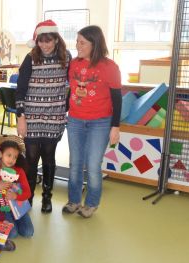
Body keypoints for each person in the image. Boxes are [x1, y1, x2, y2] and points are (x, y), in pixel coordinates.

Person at [64, 25, 121, 218]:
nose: (77, 45)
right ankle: (73, 200)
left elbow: (117, 98)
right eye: (77, 41)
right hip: (75, 120)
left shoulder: (109, 67)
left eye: (82, 42)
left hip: (100, 122)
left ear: (94, 44)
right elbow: (70, 91)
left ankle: (91, 203)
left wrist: (115, 127)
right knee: (75, 163)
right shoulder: (73, 64)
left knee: (93, 164)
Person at [15, 20, 72, 213]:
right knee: (31, 158)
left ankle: (47, 197)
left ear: (56, 39)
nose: (45, 45)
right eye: (41, 41)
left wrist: (67, 106)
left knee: (49, 157)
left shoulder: (67, 57)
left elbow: (74, 83)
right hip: (31, 116)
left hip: (54, 118)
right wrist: (20, 117)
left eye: (49, 40)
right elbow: (20, 89)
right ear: (36, 41)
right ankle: (28, 198)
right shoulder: (30, 58)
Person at [0, 141, 33, 238]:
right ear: (0, 154)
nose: (11, 159)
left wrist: (16, 196)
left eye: (15, 157)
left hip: (18, 208)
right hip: (2, 208)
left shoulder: (19, 171)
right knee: (12, 234)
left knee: (28, 232)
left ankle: (14, 221)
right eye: (9, 155)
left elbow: (28, 193)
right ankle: (3, 222)